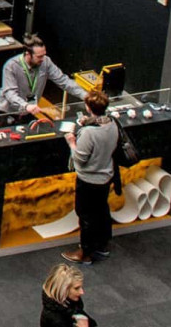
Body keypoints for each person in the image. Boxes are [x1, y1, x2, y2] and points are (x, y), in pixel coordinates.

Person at [64, 91, 118, 264]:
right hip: (105, 177)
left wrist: (72, 142)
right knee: (101, 210)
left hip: (88, 179)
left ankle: (84, 252)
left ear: (88, 107)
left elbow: (80, 157)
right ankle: (102, 245)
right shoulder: (112, 124)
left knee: (85, 214)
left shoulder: (88, 133)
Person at [0, 35, 91, 124]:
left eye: (44, 55)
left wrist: (86, 96)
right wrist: (26, 106)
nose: (43, 59)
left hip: (29, 111)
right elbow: (10, 93)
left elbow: (63, 81)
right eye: (39, 56)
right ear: (28, 54)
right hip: (8, 112)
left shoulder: (46, 62)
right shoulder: (11, 66)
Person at [40, 263, 95, 327]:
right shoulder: (55, 320)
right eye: (76, 288)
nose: (82, 292)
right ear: (64, 290)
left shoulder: (70, 303)